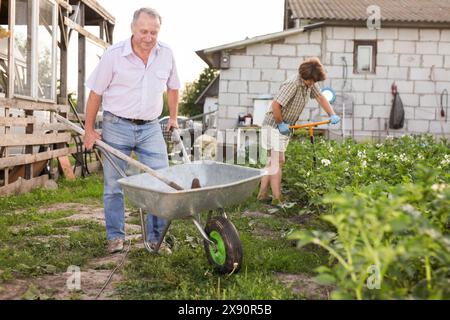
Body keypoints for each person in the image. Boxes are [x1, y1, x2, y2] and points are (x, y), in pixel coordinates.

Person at [83, 8, 180, 254]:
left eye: (154, 32)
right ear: (133, 29)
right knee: (114, 185)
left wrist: (174, 118)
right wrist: (89, 129)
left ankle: (156, 240)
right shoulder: (114, 55)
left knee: (161, 182)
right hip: (117, 125)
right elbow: (96, 93)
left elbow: (173, 87)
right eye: (143, 31)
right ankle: (116, 237)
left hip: (150, 127)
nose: (148, 37)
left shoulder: (166, 53)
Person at [257, 57, 340, 206]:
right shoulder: (293, 84)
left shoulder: (309, 84)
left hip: (282, 126)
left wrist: (332, 114)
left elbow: (321, 98)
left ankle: (262, 195)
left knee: (271, 161)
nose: (312, 84)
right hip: (274, 125)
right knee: (278, 161)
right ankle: (277, 199)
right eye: (311, 81)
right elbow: (276, 105)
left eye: (315, 81)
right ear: (304, 76)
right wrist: (281, 124)